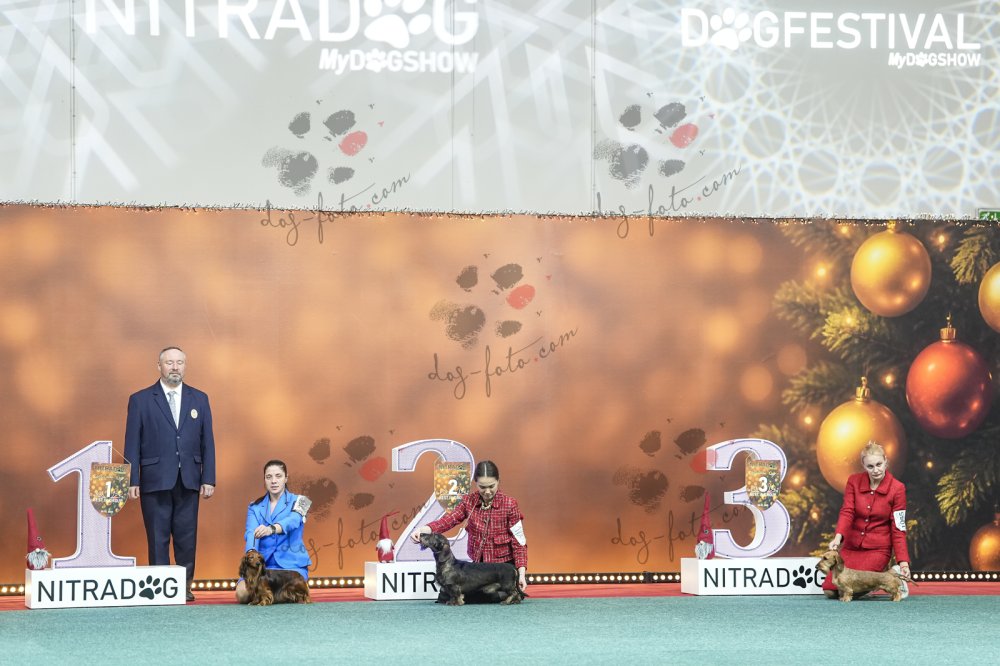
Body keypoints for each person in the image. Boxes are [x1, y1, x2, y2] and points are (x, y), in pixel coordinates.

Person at [125, 346, 216, 602]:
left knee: (187, 537)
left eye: (179, 362)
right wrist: (132, 479)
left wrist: (208, 477)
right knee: (157, 536)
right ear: (159, 366)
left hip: (189, 479)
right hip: (154, 479)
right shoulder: (140, 399)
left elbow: (207, 441)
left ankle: (184, 586)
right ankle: (160, 586)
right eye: (169, 363)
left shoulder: (200, 399)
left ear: (185, 366)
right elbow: (132, 442)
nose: (175, 367)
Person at [410, 460, 528, 592]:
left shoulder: (510, 504)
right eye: (482, 487)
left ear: (498, 481)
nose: (487, 491)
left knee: (489, 595)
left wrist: (521, 573)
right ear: (475, 483)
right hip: (478, 569)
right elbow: (449, 520)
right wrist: (424, 530)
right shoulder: (468, 501)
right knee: (448, 594)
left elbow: (519, 542)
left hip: (502, 569)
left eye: (491, 486)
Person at [824, 441, 911, 599]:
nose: (876, 470)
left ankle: (895, 575)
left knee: (851, 591)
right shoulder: (853, 481)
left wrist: (903, 562)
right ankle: (877, 582)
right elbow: (847, 511)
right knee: (830, 591)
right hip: (851, 548)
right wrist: (837, 538)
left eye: (879, 464)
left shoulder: (897, 488)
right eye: (870, 466)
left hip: (878, 550)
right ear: (863, 466)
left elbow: (898, 528)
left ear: (886, 461)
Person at [236, 460, 312, 603]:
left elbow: (293, 520)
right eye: (269, 477)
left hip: (291, 566)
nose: (274, 481)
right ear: (264, 480)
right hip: (262, 567)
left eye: (278, 476)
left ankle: (275, 595)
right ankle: (274, 595)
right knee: (242, 594)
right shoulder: (254, 506)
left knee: (295, 591)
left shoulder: (303, 501)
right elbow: (251, 532)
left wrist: (271, 529)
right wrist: (252, 554)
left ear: (286, 478)